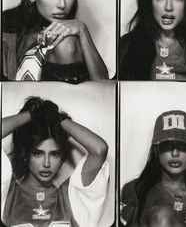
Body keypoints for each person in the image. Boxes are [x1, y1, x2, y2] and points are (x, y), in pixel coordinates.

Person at [2, 0, 108, 83]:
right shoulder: (6, 32)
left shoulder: (69, 37)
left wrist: (82, 30)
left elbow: (104, 88)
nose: (62, 4)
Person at [1, 97, 109, 227]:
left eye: (54, 154)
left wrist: (58, 119)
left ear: (61, 158)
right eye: (37, 153)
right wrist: (31, 114)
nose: (46, 163)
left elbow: (99, 150)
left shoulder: (71, 198)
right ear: (25, 154)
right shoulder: (7, 195)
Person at [120, 110, 186, 227]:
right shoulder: (134, 192)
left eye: (183, 146)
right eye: (167, 145)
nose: (175, 153)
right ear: (156, 150)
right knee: (162, 215)